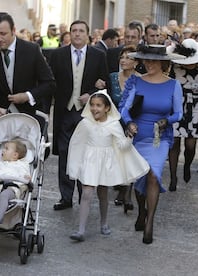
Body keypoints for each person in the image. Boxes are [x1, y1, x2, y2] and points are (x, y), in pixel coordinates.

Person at [120, 44, 183, 244]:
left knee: (153, 175)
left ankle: (150, 223)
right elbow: (124, 109)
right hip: (139, 135)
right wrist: (129, 123)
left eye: (153, 61)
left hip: (160, 138)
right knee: (141, 175)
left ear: (163, 62)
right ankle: (141, 212)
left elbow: (179, 113)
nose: (148, 64)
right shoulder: (136, 82)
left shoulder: (174, 85)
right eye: (145, 60)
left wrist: (168, 121)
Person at [67, 91, 149, 241]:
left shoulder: (113, 124)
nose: (94, 109)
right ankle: (81, 230)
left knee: (103, 193)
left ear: (107, 108)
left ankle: (104, 223)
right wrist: (76, 163)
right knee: (86, 193)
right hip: (90, 160)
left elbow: (122, 145)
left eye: (98, 105)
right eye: (92, 105)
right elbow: (77, 143)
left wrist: (130, 136)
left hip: (105, 163)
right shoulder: (85, 123)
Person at [48, 20, 108, 211]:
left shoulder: (98, 55)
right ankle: (65, 197)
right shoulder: (58, 55)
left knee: (85, 155)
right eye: (74, 31)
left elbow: (104, 82)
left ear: (88, 34)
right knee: (65, 154)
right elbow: (50, 81)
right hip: (64, 112)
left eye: (81, 31)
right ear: (69, 34)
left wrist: (90, 94)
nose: (77, 34)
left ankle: (85, 196)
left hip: (87, 114)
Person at [0, 12, 55, 125]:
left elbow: (49, 83)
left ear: (13, 30)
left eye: (3, 34)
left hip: (29, 115)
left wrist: (28, 96)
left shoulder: (31, 50)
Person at [168, 38, 198, 189]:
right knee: (174, 142)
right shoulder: (174, 67)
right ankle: (173, 176)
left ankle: (187, 165)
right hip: (176, 106)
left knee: (190, 144)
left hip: (195, 107)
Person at [108, 45, 138, 210]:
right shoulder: (112, 77)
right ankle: (120, 185)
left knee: (129, 157)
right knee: (117, 158)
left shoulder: (140, 79)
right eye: (122, 57)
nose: (124, 60)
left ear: (135, 61)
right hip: (114, 122)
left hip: (133, 122)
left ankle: (126, 193)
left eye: (128, 57)